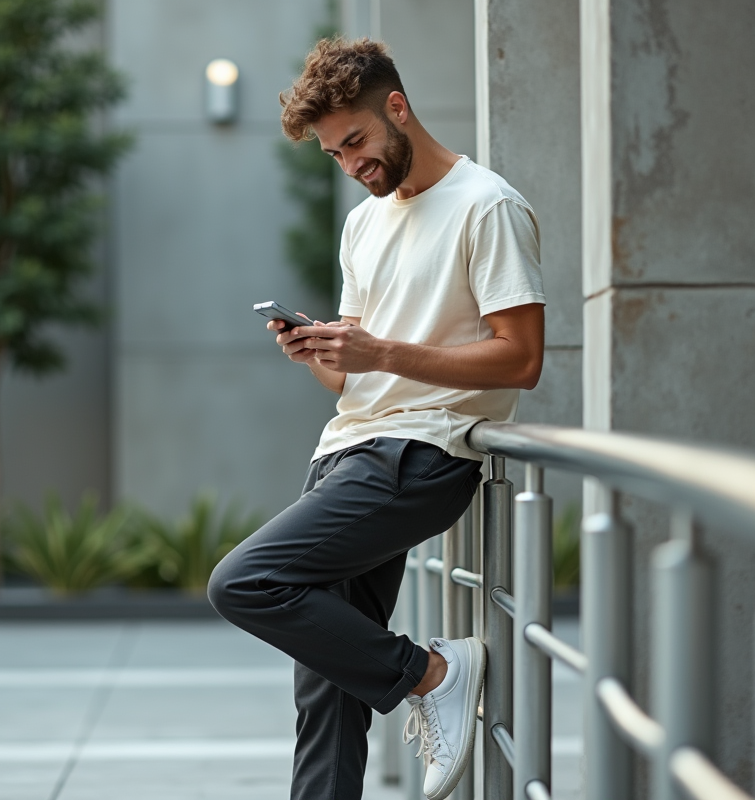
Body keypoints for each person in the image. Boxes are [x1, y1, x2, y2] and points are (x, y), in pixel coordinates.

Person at [208, 36, 545, 800]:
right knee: (325, 690)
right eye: (334, 155)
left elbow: (520, 358)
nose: (352, 163)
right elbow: (353, 375)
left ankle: (430, 674)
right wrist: (318, 352)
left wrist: (383, 351)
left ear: (397, 107)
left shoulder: (486, 205)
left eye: (356, 141)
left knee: (245, 582)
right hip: (346, 454)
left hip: (419, 457)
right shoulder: (363, 224)